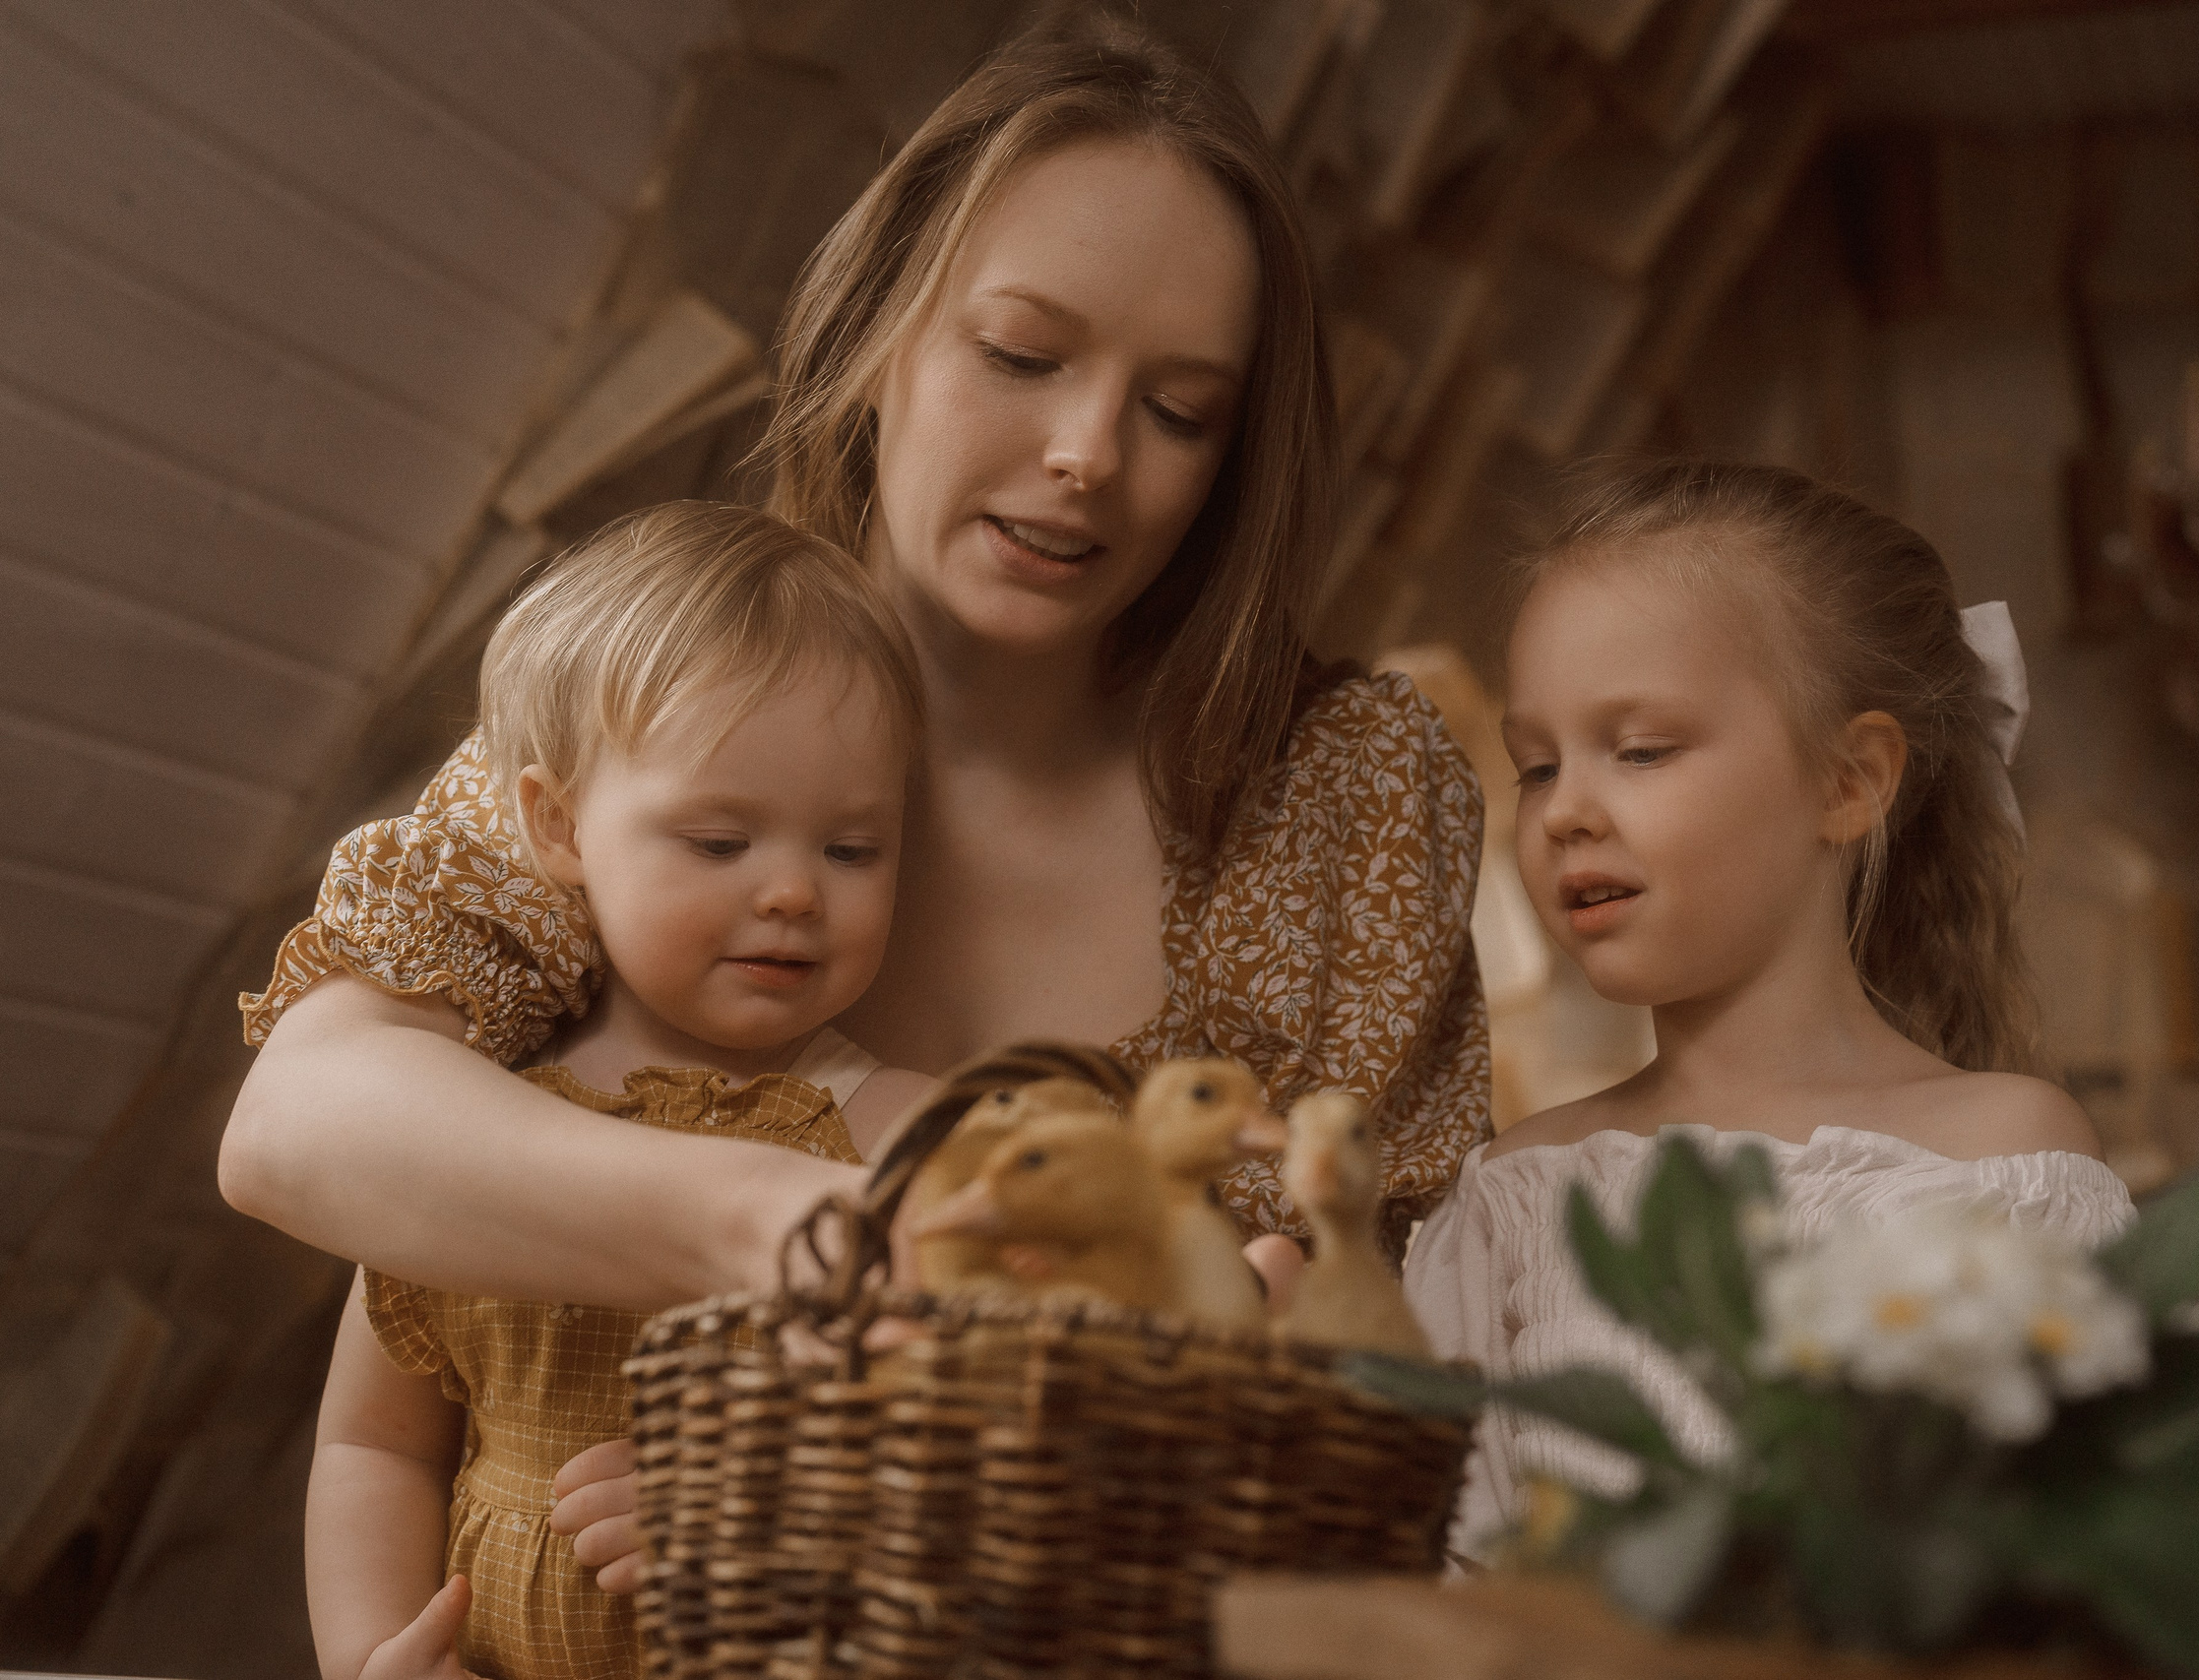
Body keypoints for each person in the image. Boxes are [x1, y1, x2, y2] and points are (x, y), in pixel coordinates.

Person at [222, 12, 1486, 1597]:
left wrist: (866, 1485)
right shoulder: (674, 679)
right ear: (880, 327)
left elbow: (1395, 1395)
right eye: (1023, 355)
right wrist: (788, 1222)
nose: (1088, 453)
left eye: (1180, 412)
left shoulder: (1353, 789)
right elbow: (298, 1125)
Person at [1402, 459, 2135, 1552]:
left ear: (1848, 782)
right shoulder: (1513, 1201)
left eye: (1640, 750)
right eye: (1538, 768)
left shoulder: (2004, 1161)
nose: (1565, 815)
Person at [305, 502, 931, 1680]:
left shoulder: (897, 1132)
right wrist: (370, 1653)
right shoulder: (468, 1126)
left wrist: (790, 1503)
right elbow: (373, 1446)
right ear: (560, 826)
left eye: (852, 849)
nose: (795, 891)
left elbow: (987, 1445)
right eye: (718, 841)